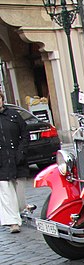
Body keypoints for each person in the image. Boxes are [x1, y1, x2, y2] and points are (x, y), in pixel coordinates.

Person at [0, 90, 29, 234]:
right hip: (2, 161)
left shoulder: (13, 115)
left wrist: (21, 153)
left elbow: (25, 134)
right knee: (6, 191)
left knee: (19, 193)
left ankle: (21, 208)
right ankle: (13, 222)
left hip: (17, 158)